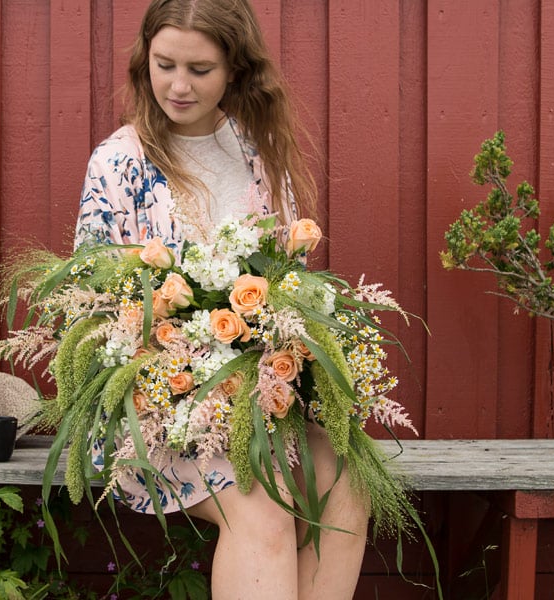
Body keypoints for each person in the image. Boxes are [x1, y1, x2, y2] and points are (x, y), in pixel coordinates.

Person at [74, 1, 369, 598]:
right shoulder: (119, 162)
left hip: (259, 397)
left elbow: (288, 284)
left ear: (235, 69)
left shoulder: (258, 153)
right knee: (262, 509)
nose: (178, 86)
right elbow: (89, 304)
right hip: (153, 406)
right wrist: (181, 362)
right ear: (145, 60)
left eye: (200, 69)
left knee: (348, 487)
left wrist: (278, 359)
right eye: (165, 65)